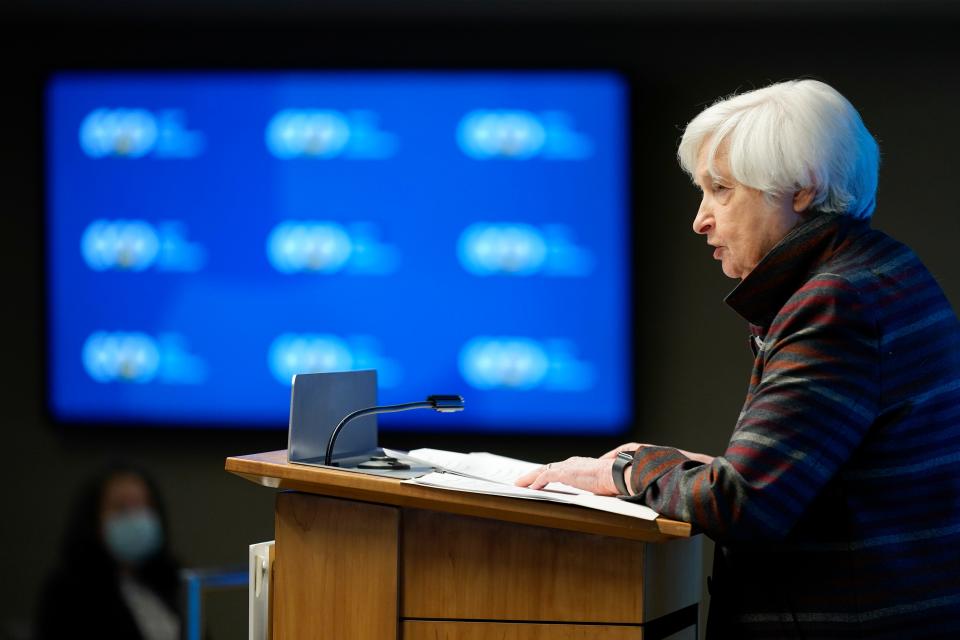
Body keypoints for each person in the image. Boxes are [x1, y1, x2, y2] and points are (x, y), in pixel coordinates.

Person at [516, 79, 960, 638]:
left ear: (802, 188)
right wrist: (686, 468)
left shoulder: (836, 301)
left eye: (720, 189)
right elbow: (821, 483)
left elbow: (744, 505)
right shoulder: (883, 270)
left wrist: (623, 471)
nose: (700, 220)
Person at [35, 464, 182, 640]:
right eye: (121, 508)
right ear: (93, 519)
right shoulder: (67, 593)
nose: (134, 517)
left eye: (141, 506)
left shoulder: (174, 578)